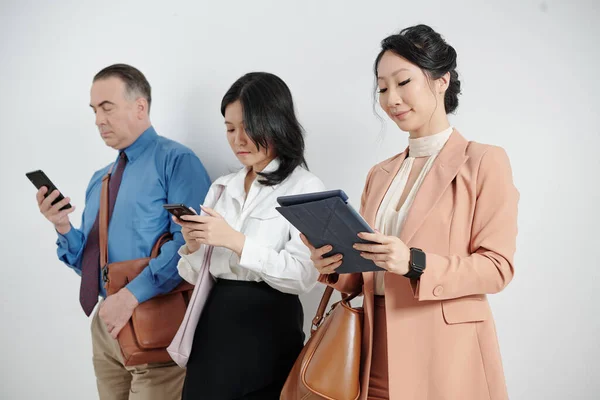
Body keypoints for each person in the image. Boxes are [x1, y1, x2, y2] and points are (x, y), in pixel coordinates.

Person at [301, 24, 519, 400]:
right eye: (383, 88)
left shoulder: (483, 162)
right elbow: (367, 273)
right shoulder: (380, 173)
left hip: (445, 355)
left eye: (403, 82)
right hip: (370, 351)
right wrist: (334, 265)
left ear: (441, 81)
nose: (391, 99)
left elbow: (497, 268)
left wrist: (414, 262)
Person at [35, 63, 211, 400]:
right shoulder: (100, 178)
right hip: (107, 327)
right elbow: (90, 264)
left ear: (140, 107)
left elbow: (192, 246)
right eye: (94, 110)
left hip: (154, 319)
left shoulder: (176, 161)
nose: (98, 120)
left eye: (107, 108)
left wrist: (130, 297)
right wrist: (62, 226)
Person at [173, 72, 325, 399]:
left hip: (268, 327)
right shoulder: (221, 187)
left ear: (276, 123)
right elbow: (198, 274)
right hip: (214, 322)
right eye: (230, 129)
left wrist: (234, 241)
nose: (238, 139)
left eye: (248, 127)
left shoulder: (305, 188)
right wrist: (194, 243)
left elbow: (304, 277)